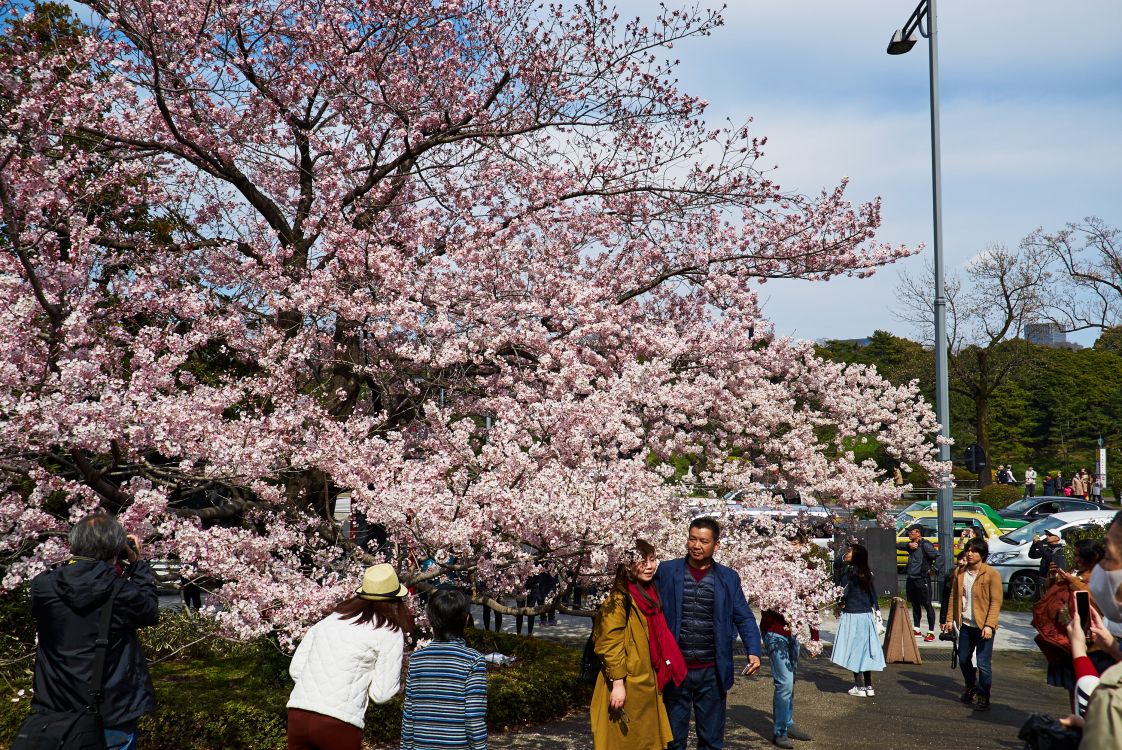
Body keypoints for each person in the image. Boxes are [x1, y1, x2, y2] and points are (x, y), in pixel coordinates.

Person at [27, 513, 159, 750]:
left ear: (74, 544)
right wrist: (137, 565)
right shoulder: (120, 592)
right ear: (115, 549)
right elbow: (149, 611)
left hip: (55, 712)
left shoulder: (43, 586)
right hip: (110, 711)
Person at [655, 517, 762, 750]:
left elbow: (743, 616)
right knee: (672, 741)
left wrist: (754, 650)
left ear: (716, 545)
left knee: (711, 741)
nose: (696, 545)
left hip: (712, 671)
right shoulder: (666, 571)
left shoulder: (728, 578)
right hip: (676, 670)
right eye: (692, 539)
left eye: (703, 541)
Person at [288, 564, 411, 750]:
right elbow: (382, 693)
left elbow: (296, 669)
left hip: (298, 713)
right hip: (339, 721)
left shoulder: (330, 620)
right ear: (396, 600)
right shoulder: (389, 631)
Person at [590, 540, 684, 750]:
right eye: (642, 561)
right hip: (627, 682)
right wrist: (618, 683)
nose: (649, 566)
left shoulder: (648, 593)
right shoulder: (619, 599)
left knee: (645, 741)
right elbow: (608, 644)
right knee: (626, 742)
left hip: (646, 680)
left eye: (652, 559)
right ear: (627, 565)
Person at [401, 588, 488, 750]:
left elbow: (409, 715)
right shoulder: (473, 661)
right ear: (466, 619)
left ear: (431, 620)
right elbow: (473, 718)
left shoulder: (417, 659)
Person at [758, 535, 817, 748]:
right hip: (774, 630)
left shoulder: (808, 569)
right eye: (788, 543)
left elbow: (813, 604)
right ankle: (780, 731)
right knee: (784, 682)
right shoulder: (772, 568)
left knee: (791, 680)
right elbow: (762, 600)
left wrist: (815, 637)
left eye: (796, 543)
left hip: (795, 632)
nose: (792, 547)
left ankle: (788, 722)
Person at [942, 537, 1003, 712]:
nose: (969, 554)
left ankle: (984, 695)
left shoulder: (991, 574)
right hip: (966, 625)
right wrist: (949, 619)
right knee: (963, 659)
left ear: (982, 555)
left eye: (974, 551)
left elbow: (995, 602)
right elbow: (954, 597)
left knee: (983, 663)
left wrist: (990, 625)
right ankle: (971, 686)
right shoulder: (959, 572)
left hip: (984, 626)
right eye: (968, 550)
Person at [831, 543, 885, 699]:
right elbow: (873, 596)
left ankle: (859, 686)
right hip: (866, 615)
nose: (846, 553)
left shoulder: (849, 574)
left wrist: (839, 602)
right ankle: (869, 685)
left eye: (849, 552)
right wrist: (877, 610)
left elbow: (841, 591)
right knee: (865, 650)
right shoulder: (868, 573)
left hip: (852, 615)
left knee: (854, 650)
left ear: (856, 556)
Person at [897, 525, 939, 642]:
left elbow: (938, 557)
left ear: (918, 533)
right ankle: (917, 629)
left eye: (911, 532)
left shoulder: (925, 544)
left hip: (922, 579)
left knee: (927, 604)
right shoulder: (911, 545)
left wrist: (934, 569)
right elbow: (897, 545)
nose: (908, 534)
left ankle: (931, 632)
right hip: (911, 579)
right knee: (915, 604)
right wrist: (908, 545)